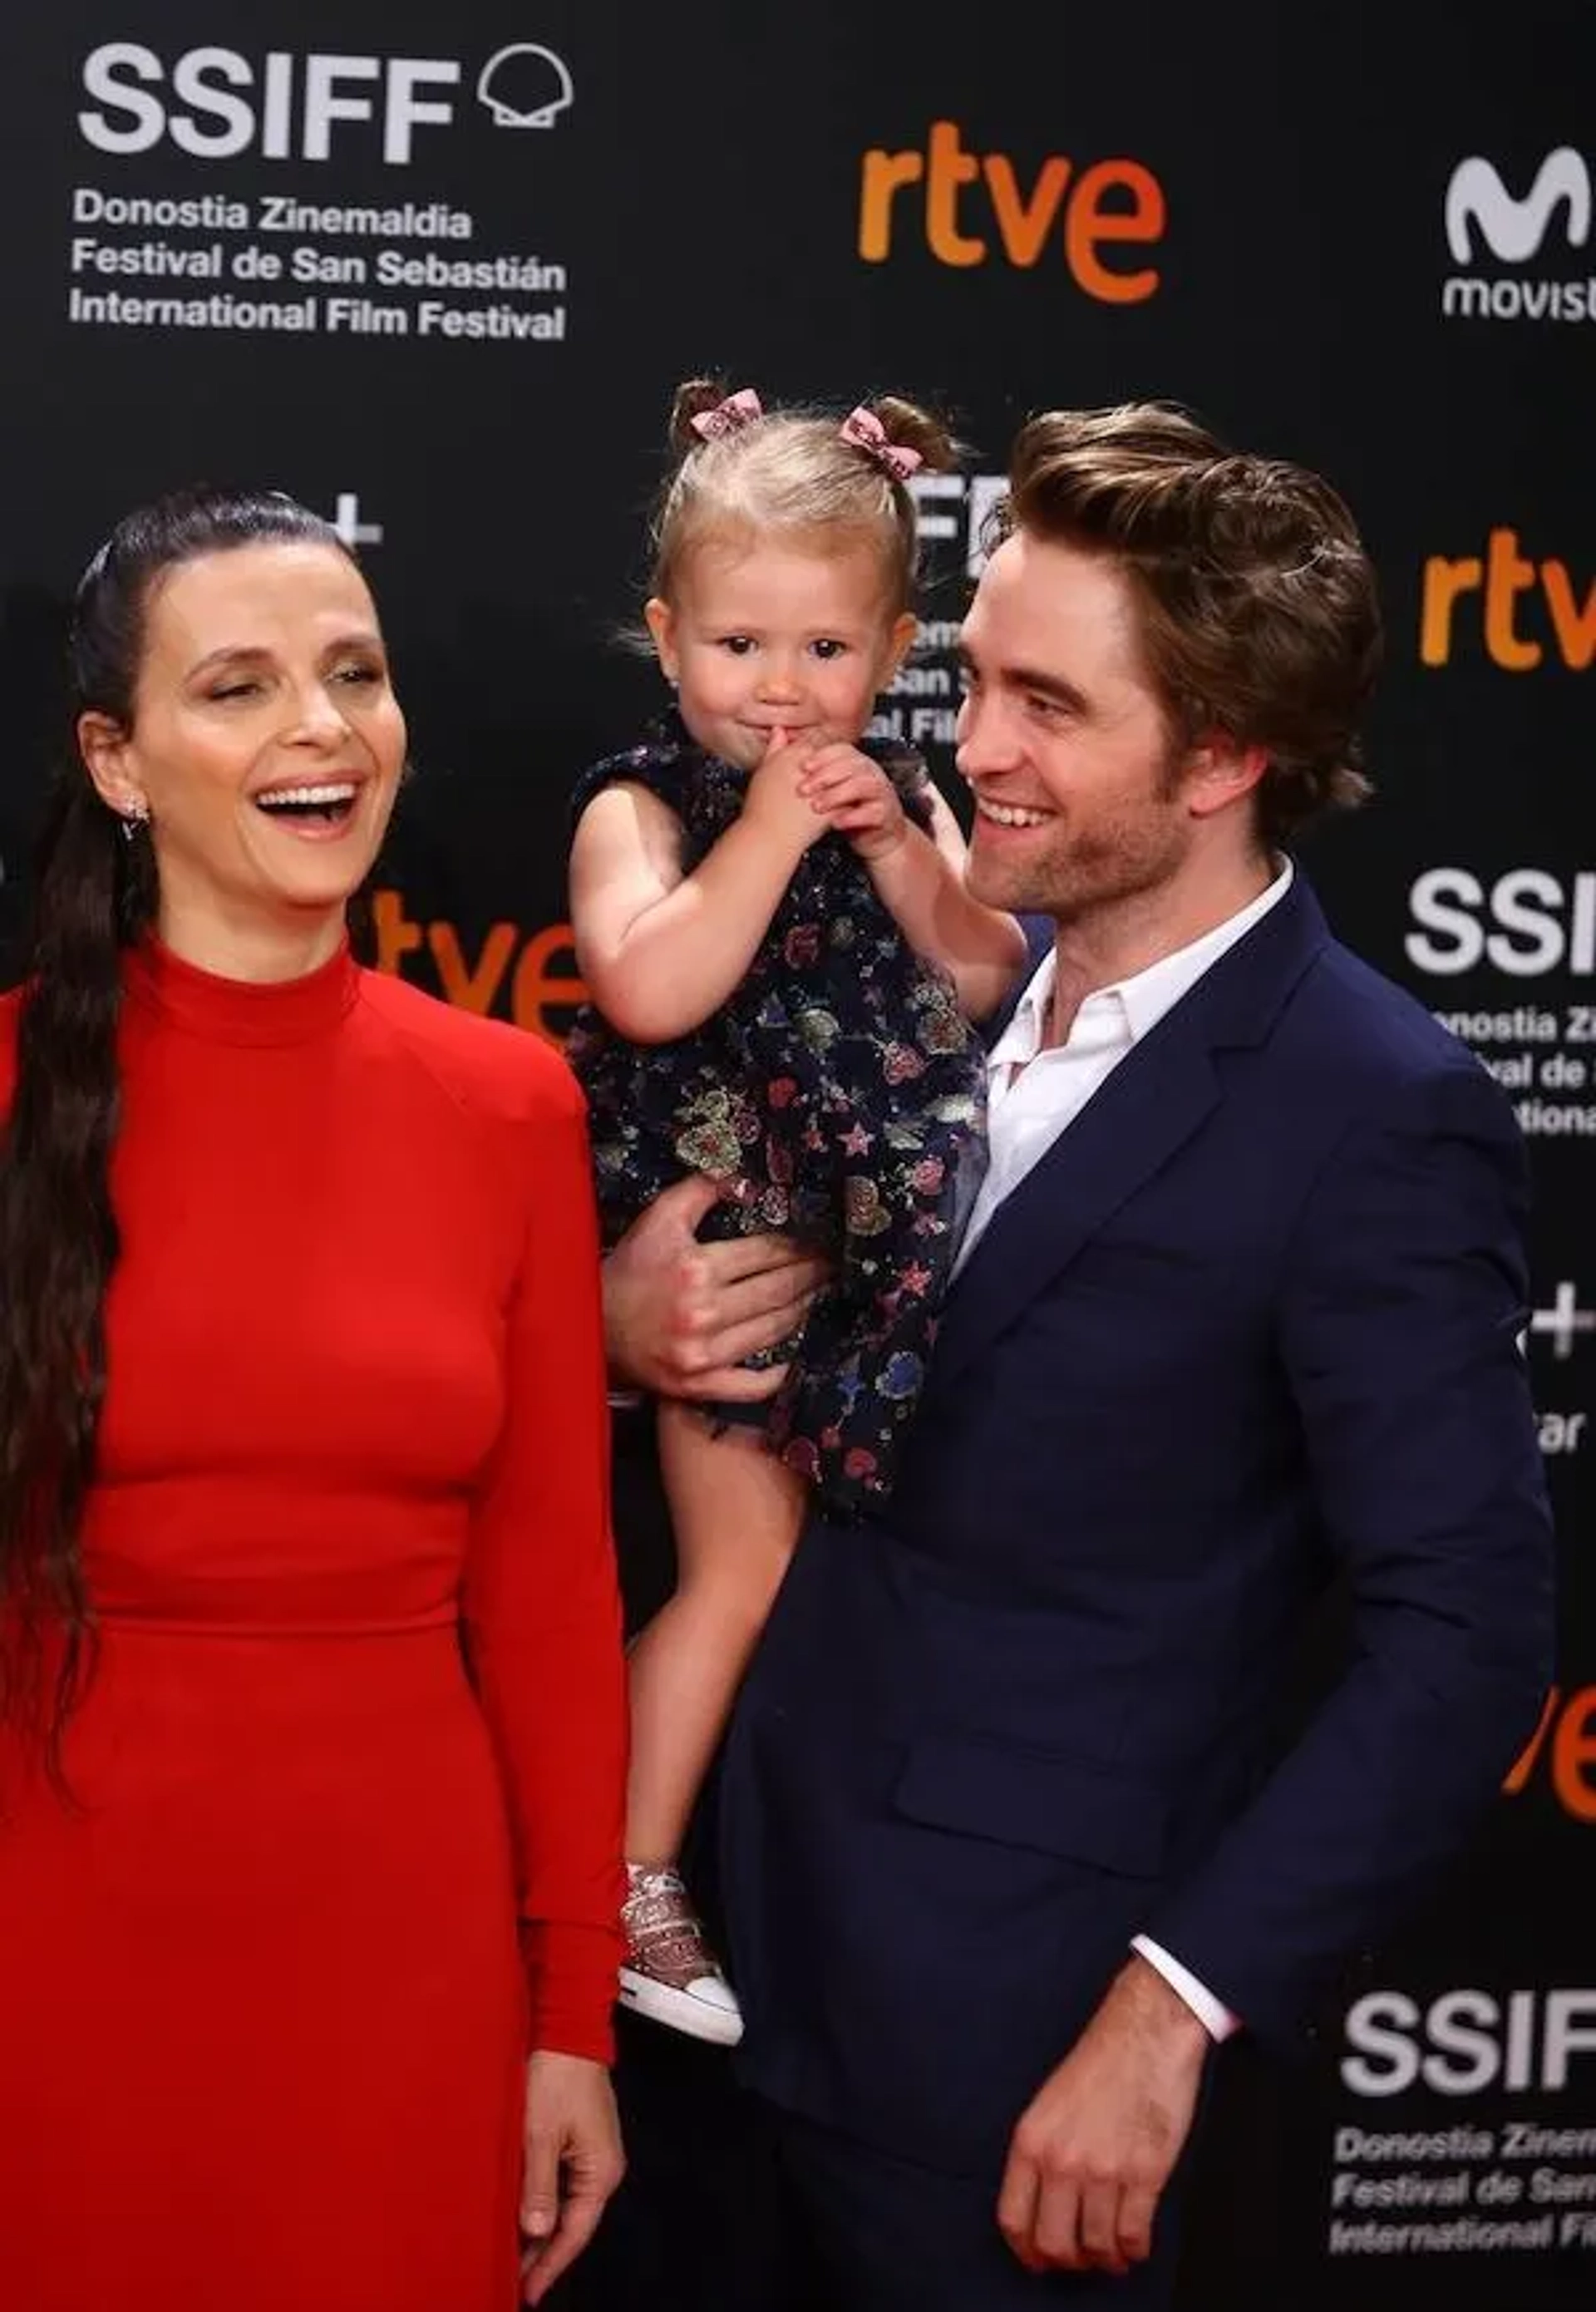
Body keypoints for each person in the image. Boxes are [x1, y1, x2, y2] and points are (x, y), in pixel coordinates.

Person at [599, 403, 1557, 2307]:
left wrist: (1168, 2013)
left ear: (1223, 754)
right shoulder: (925, 974)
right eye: (974, 681)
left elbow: (1468, 1636)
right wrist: (638, 1339)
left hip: (1008, 2064)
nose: (970, 745)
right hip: (712, 1998)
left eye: (1048, 706)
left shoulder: (1374, 1107)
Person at [0, 486, 628, 2312]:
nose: (320, 731)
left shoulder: (510, 1106)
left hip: (404, 1955)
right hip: (54, 1929)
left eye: (354, 673)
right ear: (119, 760)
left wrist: (571, 2010)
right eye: (241, 686)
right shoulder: (16, 1087)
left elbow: (555, 1598)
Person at [565, 381, 1026, 2044]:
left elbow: (984, 982)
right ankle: (623, 1877)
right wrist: (766, 835)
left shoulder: (900, 788)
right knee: (743, 1566)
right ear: (667, 633)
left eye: (825, 652)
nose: (781, 691)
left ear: (897, 642)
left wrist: (905, 850)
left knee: (855, 1585)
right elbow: (651, 985)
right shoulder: (642, 804)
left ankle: (785, 1879)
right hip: (726, 1241)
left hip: (880, 1245)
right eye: (739, 646)